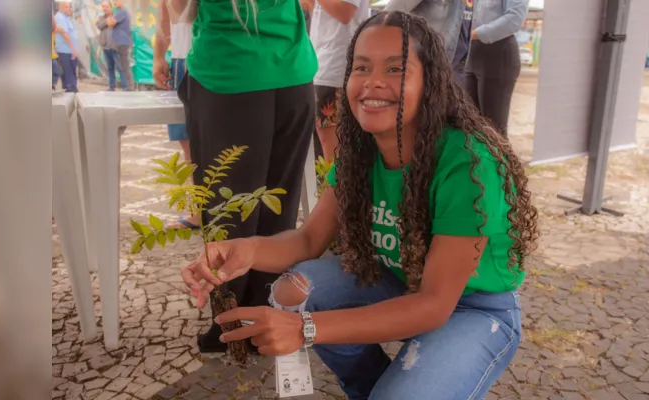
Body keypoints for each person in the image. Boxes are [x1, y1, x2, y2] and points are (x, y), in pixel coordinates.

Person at [181, 11, 539, 399]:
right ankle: (368, 388)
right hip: (398, 283)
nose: (373, 83)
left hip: (473, 309)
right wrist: (246, 250)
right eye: (361, 67)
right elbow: (307, 241)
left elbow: (434, 305)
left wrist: (305, 329)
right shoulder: (359, 151)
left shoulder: (468, 163)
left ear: (432, 82)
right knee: (291, 290)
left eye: (396, 68)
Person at [157, 0, 317, 354]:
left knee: (227, 210)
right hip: (294, 71)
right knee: (280, 207)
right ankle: (269, 316)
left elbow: (180, 6)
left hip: (229, 72)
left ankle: (231, 326)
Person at [309, 0, 370, 161]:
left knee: (333, 148)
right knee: (328, 144)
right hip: (323, 66)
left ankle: (337, 186)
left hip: (335, 69)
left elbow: (345, 12)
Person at [152, 0, 195, 228]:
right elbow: (164, 18)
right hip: (181, 59)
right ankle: (199, 209)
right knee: (187, 139)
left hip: (214, 54)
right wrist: (159, 56)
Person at [464, 0, 529, 137]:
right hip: (471, 52)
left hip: (498, 54)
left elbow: (515, 18)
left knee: (493, 129)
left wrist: (475, 33)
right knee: (469, 123)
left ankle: (499, 158)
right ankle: (475, 159)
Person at [106, 0, 134, 91]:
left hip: (123, 42)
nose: (114, 3)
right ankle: (129, 87)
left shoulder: (122, 12)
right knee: (123, 65)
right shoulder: (121, 12)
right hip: (121, 42)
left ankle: (130, 87)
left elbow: (110, 24)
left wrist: (109, 17)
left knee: (125, 65)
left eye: (116, 1)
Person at [96, 1, 125, 91]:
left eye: (107, 7)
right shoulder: (101, 18)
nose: (105, 8)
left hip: (116, 47)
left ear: (111, 7)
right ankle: (112, 87)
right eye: (103, 7)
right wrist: (107, 21)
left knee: (121, 68)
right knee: (110, 68)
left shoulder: (117, 16)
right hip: (106, 47)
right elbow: (99, 25)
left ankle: (125, 87)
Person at [54, 0, 80, 93]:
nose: (70, 9)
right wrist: (73, 48)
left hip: (70, 51)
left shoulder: (67, 18)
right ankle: (71, 90)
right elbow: (65, 34)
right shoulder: (60, 17)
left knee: (71, 72)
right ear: (61, 7)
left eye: (70, 7)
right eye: (67, 7)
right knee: (68, 73)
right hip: (66, 51)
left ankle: (71, 90)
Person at [52, 17, 62, 91]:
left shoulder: (53, 33)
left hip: (52, 56)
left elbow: (59, 29)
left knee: (57, 72)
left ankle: (53, 85)